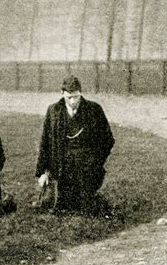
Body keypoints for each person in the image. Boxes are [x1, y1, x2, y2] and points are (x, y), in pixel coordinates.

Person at [35, 75, 115, 216]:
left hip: (86, 169)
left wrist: (95, 161)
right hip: (62, 169)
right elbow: (45, 142)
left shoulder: (93, 110)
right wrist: (43, 171)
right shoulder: (53, 111)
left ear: (81, 93)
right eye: (69, 97)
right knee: (60, 208)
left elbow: (107, 139)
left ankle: (91, 199)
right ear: (62, 93)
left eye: (76, 97)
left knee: (88, 209)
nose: (73, 101)